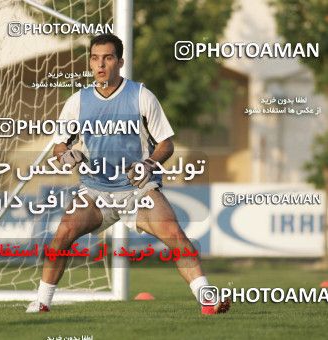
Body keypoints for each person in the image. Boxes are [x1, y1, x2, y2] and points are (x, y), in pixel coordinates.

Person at [26, 34, 230, 315]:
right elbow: (60, 147)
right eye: (96, 58)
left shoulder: (141, 96)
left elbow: (165, 144)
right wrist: (66, 155)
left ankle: (208, 299)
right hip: (95, 191)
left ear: (120, 62)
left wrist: (148, 164)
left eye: (108, 58)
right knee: (64, 233)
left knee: (174, 233)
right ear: (90, 62)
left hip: (138, 189)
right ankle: (41, 303)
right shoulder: (78, 101)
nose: (101, 64)